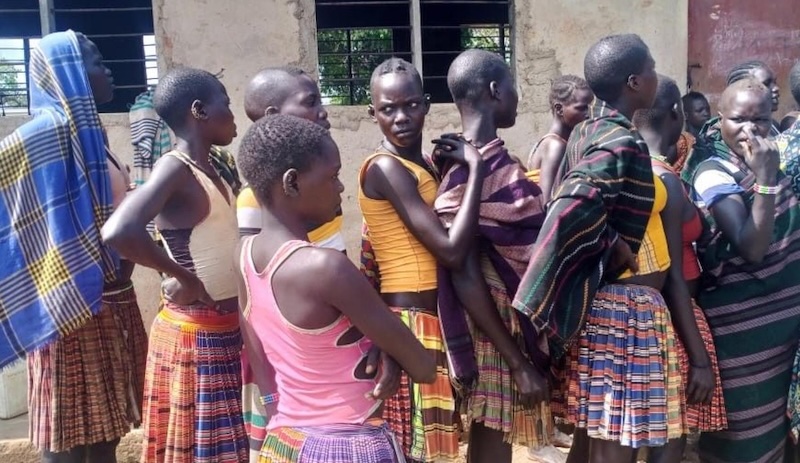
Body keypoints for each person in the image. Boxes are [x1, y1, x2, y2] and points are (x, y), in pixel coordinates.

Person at [235, 113, 436, 463]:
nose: (341, 187)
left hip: (283, 442)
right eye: (333, 176)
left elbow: (258, 352)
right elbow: (422, 366)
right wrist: (390, 351)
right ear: (292, 183)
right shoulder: (325, 267)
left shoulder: (244, 255)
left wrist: (272, 411)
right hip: (347, 444)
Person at [512, 34, 668, 463]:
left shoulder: (587, 129)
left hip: (596, 306)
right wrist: (610, 239)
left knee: (594, 432)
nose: (658, 76)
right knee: (616, 439)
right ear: (634, 82)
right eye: (652, 68)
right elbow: (573, 202)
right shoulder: (622, 140)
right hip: (620, 310)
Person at [0, 30, 147, 463]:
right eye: (97, 62)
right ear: (71, 74)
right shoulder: (44, 136)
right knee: (65, 433)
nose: (108, 71)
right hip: (68, 310)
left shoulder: (90, 138)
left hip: (112, 301)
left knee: (106, 429)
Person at [102, 67, 248, 463]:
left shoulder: (213, 168)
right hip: (195, 338)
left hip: (221, 333)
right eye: (227, 104)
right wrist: (185, 277)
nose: (233, 115)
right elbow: (119, 231)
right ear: (199, 110)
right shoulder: (176, 168)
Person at [359, 57, 483, 462]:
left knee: (433, 447)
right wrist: (476, 169)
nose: (400, 117)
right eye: (387, 109)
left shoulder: (421, 165)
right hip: (410, 321)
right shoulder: (385, 168)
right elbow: (449, 250)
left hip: (433, 318)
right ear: (372, 112)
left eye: (410, 105)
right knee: (419, 449)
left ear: (427, 104)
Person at [435, 49, 555, 463]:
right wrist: (518, 362)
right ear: (494, 90)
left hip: (506, 322)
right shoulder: (465, 170)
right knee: (491, 441)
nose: (519, 96)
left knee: (499, 442)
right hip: (490, 328)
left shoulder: (491, 162)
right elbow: (463, 273)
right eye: (513, 87)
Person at [683, 78, 800, 462]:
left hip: (782, 330)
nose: (750, 130)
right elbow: (750, 246)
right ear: (720, 120)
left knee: (775, 433)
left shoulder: (774, 164)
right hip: (739, 332)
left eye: (761, 120)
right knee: (740, 437)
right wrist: (765, 180)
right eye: (738, 119)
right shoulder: (713, 171)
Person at [632, 75, 727, 463]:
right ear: (676, 114)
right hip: (675, 317)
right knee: (671, 433)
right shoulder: (666, 179)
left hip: (649, 315)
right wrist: (700, 358)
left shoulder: (630, 165)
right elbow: (673, 274)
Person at [526, 75, 593, 203]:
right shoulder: (555, 146)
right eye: (582, 108)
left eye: (590, 108)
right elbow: (547, 202)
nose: (589, 114)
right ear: (559, 109)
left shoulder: (548, 142)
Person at [726, 60, 781, 136]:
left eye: (774, 82)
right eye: (766, 84)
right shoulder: (739, 132)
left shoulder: (773, 125)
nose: (776, 88)